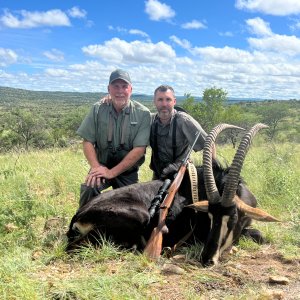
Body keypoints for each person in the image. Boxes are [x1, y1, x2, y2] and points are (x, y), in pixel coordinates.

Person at [77, 69, 151, 207]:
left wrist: (111, 173)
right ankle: (80, 225)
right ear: (108, 89)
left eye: (124, 86)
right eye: (115, 86)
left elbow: (139, 150)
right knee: (89, 188)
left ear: (131, 89)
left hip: (127, 171)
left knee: (133, 205)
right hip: (101, 165)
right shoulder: (98, 109)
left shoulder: (143, 114)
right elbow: (87, 141)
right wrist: (96, 167)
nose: (120, 91)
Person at [150, 84, 216, 179]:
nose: (164, 104)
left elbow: (209, 144)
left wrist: (211, 174)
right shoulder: (150, 120)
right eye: (160, 100)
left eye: (168, 99)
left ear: (174, 102)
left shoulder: (184, 120)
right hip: (158, 176)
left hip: (181, 176)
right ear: (154, 102)